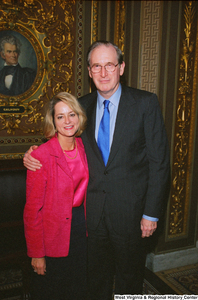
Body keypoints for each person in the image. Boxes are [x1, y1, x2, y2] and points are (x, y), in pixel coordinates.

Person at [23, 41, 170, 299]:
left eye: (110, 65)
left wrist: (151, 213)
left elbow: (159, 163)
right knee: (94, 281)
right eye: (97, 66)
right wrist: (33, 154)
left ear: (121, 68)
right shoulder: (81, 107)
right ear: (89, 72)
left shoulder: (145, 103)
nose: (103, 73)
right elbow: (63, 142)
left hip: (131, 214)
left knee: (129, 278)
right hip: (90, 218)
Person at [23, 92, 89, 300]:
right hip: (52, 232)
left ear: (79, 117)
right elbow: (32, 210)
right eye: (60, 116)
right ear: (53, 121)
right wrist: (36, 253)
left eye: (72, 114)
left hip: (82, 228)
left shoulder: (85, 147)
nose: (67, 121)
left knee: (78, 287)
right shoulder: (40, 155)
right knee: (53, 290)